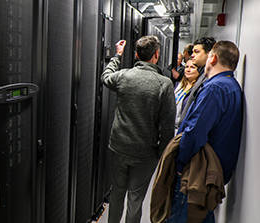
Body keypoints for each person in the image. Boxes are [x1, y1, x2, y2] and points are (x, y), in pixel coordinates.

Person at [101, 36, 176, 223]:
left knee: (117, 192)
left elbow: (105, 77)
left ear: (136, 54)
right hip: (145, 154)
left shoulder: (124, 76)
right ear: (156, 55)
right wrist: (161, 155)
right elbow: (167, 126)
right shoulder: (164, 84)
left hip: (118, 147)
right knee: (135, 198)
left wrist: (117, 56)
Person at [167, 40, 243, 222]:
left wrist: (179, 164)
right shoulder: (231, 86)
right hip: (211, 173)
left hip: (196, 173)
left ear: (214, 58)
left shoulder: (215, 88)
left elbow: (195, 132)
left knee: (182, 216)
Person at [177, 37, 216, 127]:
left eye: (197, 52)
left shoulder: (209, 81)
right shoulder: (202, 76)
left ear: (209, 54)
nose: (192, 55)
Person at [174, 59, 200, 132]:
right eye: (186, 67)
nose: (188, 70)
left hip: (184, 129)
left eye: (192, 67)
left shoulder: (198, 89)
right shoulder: (178, 85)